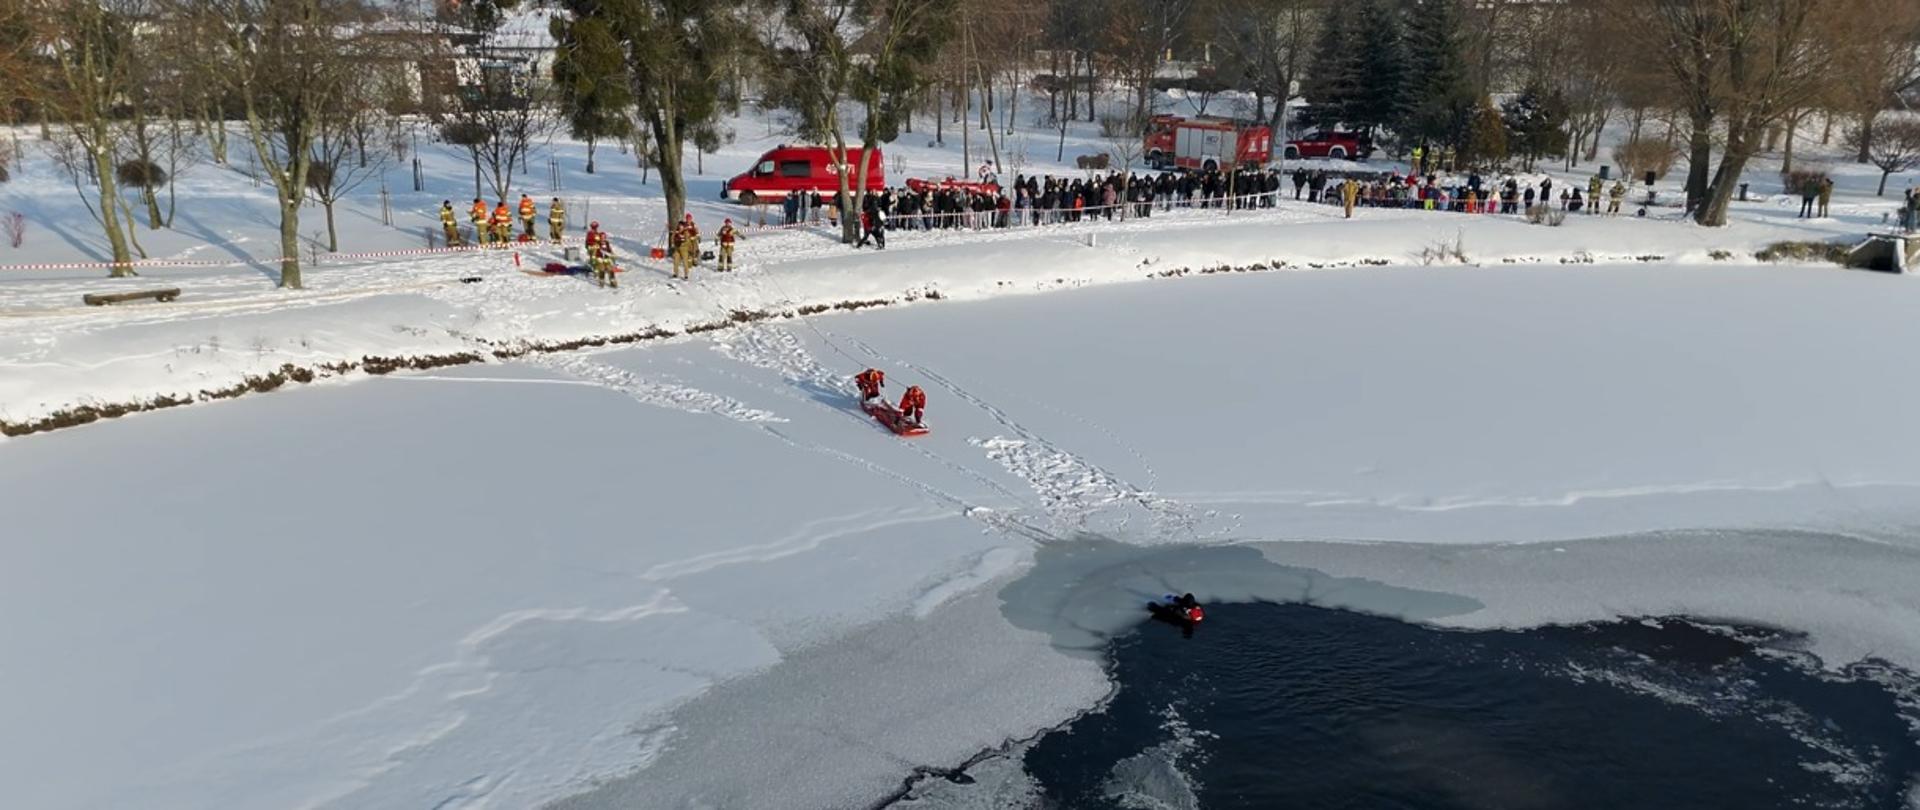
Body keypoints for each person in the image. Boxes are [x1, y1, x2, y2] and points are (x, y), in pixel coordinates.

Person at [671, 213, 699, 280]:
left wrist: (694, 237)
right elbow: (672, 237)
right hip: (677, 248)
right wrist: (674, 242)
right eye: (679, 226)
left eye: (689, 218)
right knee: (676, 261)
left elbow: (695, 232)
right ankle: (675, 273)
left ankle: (687, 274)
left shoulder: (691, 226)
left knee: (686, 260)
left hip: (685, 246)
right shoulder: (678, 230)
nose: (680, 227)